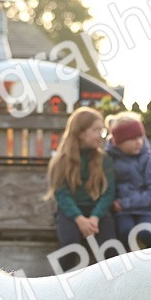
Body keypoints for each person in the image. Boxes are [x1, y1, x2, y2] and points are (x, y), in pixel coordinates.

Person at [46, 107, 116, 272]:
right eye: (95, 130)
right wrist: (79, 219)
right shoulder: (62, 161)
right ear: (80, 133)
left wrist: (95, 217)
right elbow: (62, 194)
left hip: (98, 214)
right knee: (71, 246)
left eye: (102, 130)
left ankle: (110, 287)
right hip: (71, 214)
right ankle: (60, 285)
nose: (101, 134)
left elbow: (108, 193)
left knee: (110, 247)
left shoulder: (104, 160)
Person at [105, 113, 151, 251]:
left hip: (146, 210)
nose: (139, 142)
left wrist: (125, 203)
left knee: (148, 233)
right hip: (122, 212)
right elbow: (107, 188)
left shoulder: (147, 160)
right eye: (132, 139)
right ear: (118, 142)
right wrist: (113, 203)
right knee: (125, 232)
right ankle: (130, 267)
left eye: (140, 137)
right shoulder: (109, 161)